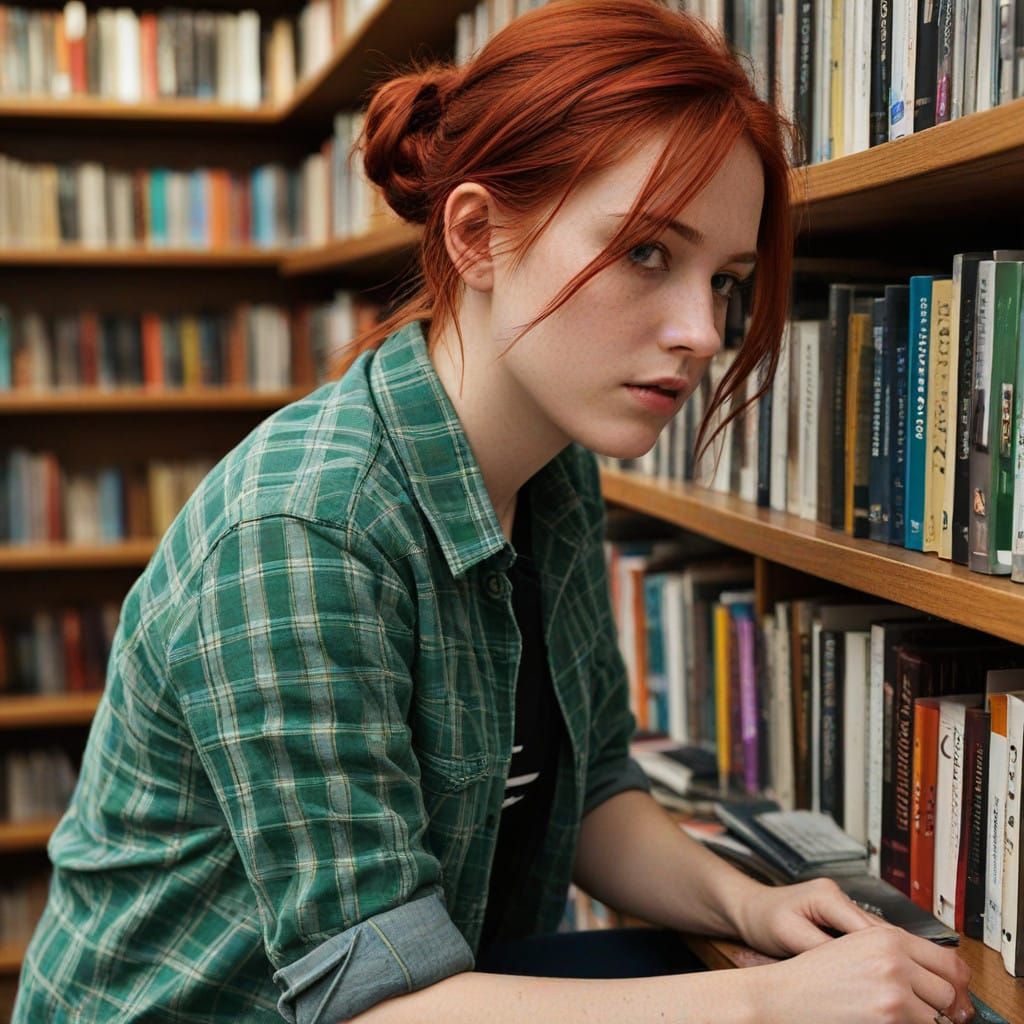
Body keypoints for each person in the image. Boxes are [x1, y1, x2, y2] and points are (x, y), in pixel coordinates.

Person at [14, 2, 975, 1022]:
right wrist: (769, 1002)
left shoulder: (552, 470)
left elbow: (593, 788)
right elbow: (370, 996)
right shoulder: (303, 529)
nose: (701, 332)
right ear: (476, 234)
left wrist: (756, 904)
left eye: (725, 279)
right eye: (648, 251)